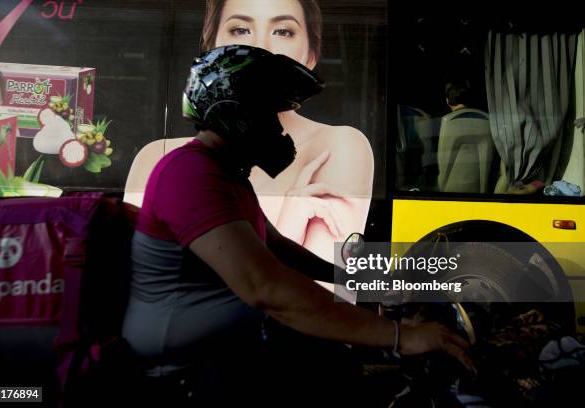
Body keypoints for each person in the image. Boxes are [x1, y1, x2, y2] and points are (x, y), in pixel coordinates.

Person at [122, 45, 473, 404]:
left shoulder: (227, 174)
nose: (279, 130)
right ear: (233, 113)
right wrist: (400, 336)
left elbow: (276, 248)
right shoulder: (190, 172)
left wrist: (353, 280)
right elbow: (266, 287)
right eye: (270, 115)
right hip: (185, 376)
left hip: (228, 356)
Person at [125, 0, 373, 264]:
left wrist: (348, 274)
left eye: (283, 31)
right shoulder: (186, 167)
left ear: (311, 55)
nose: (260, 48)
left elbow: (279, 249)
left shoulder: (236, 176)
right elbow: (255, 285)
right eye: (240, 30)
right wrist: (291, 220)